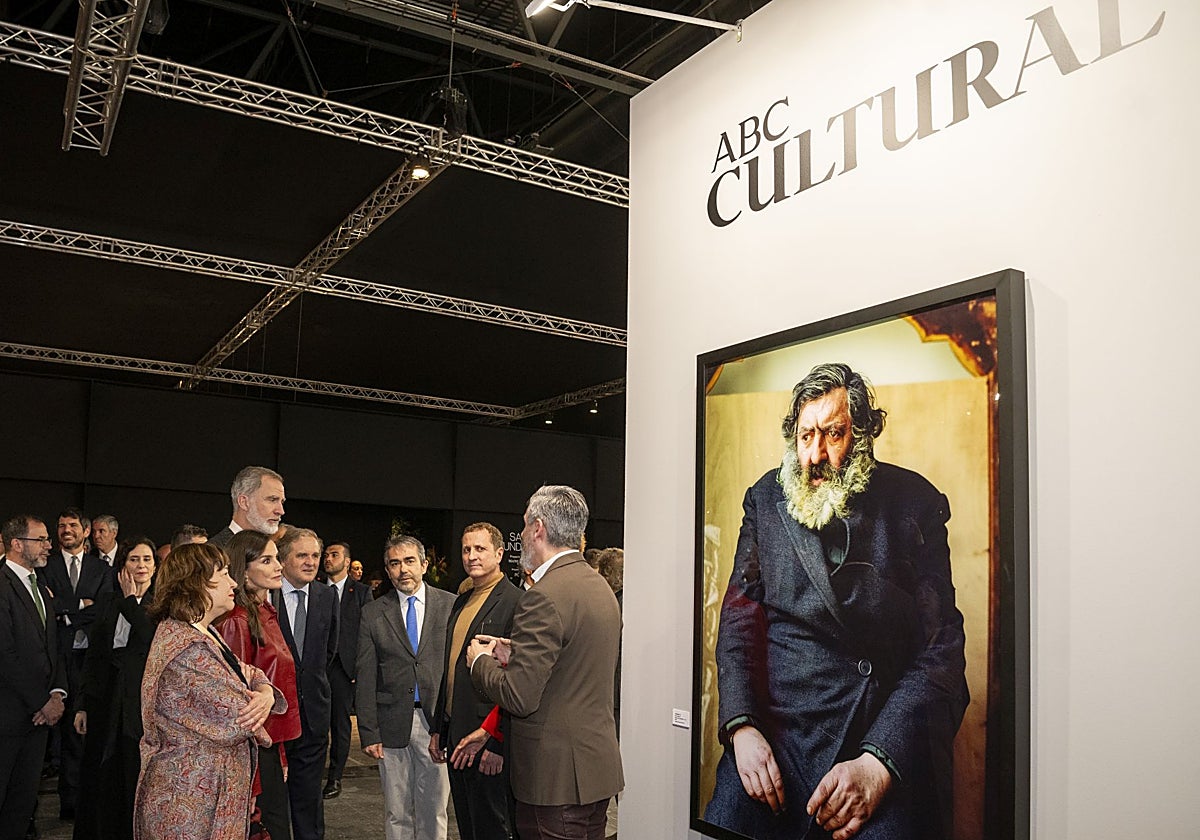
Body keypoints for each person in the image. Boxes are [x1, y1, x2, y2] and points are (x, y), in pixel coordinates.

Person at [703, 362, 969, 840]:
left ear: (862, 435)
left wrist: (877, 765)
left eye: (833, 434)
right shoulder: (764, 499)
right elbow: (739, 626)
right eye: (806, 436)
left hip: (873, 739)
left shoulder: (915, 504)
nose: (815, 455)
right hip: (776, 742)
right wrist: (742, 729)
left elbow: (941, 654)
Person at [468, 486, 623, 840]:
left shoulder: (543, 595)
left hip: (554, 781)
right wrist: (516, 652)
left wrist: (480, 663)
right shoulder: (599, 587)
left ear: (538, 528)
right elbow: (574, 661)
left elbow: (519, 697)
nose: (522, 534)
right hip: (595, 769)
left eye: (524, 525)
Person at [134, 542, 283, 840]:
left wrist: (265, 693)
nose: (233, 583)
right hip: (189, 803)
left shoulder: (202, 632)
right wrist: (261, 701)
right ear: (195, 583)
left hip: (204, 795)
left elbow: (249, 672)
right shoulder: (186, 649)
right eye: (224, 573)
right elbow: (242, 716)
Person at [357, 535, 454, 840]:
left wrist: (452, 724)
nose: (403, 570)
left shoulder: (450, 605)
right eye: (395, 563)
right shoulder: (373, 613)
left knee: (434, 809)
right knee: (396, 812)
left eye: (409, 561)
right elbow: (366, 674)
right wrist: (369, 731)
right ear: (387, 570)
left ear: (424, 565)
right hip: (390, 725)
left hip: (436, 724)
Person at [432, 523, 520, 840]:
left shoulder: (516, 602)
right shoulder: (462, 601)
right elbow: (451, 668)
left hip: (486, 739)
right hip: (458, 734)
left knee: (491, 827)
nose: (471, 556)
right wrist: (439, 728)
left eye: (480, 549)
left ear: (499, 553)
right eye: (466, 549)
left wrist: (498, 743)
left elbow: (516, 680)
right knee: (468, 826)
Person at [218, 530, 302, 840]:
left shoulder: (264, 612)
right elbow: (236, 703)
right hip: (251, 752)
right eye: (267, 561)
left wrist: (280, 755)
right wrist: (251, 782)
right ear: (243, 570)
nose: (278, 566)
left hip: (268, 746)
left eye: (276, 558)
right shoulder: (236, 620)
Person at [72, 537, 157, 840]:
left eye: (147, 559)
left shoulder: (162, 604)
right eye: (134, 559)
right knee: (100, 775)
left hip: (139, 705)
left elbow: (150, 640)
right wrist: (82, 704)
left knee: (131, 774)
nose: (141, 566)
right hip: (104, 700)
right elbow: (94, 656)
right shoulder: (108, 601)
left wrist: (132, 601)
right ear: (122, 565)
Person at [43, 507, 112, 820]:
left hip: (90, 658)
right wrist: (81, 604)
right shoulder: (46, 565)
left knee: (83, 731)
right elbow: (47, 605)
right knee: (58, 732)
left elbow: (104, 608)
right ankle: (67, 802)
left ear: (86, 531)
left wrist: (67, 613)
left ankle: (87, 799)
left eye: (72, 525)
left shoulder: (102, 569)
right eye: (61, 526)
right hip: (55, 657)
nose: (66, 530)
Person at [0, 514, 67, 840]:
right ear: (16, 544)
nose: (48, 545)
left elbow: (52, 646)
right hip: (8, 717)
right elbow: (5, 654)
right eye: (40, 540)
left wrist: (57, 693)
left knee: (22, 803)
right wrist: (41, 701)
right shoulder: (2, 584)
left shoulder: (39, 584)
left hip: (38, 718)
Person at [273, 528, 338, 840]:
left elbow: (328, 651)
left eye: (315, 555)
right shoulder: (266, 595)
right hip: (273, 718)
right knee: (273, 804)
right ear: (283, 559)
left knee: (309, 802)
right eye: (302, 555)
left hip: (313, 714)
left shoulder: (327, 597)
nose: (311, 562)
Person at [320, 541, 371, 800]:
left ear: (347, 560)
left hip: (344, 668)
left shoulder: (361, 592)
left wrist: (359, 669)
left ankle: (335, 776)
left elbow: (366, 634)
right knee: (316, 723)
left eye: (334, 554)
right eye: (326, 555)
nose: (328, 559)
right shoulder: (315, 589)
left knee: (340, 725)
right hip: (318, 667)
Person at [209, 466, 286, 549]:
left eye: (282, 502)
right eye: (272, 500)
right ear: (244, 502)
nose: (281, 511)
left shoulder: (275, 551)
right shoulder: (213, 552)